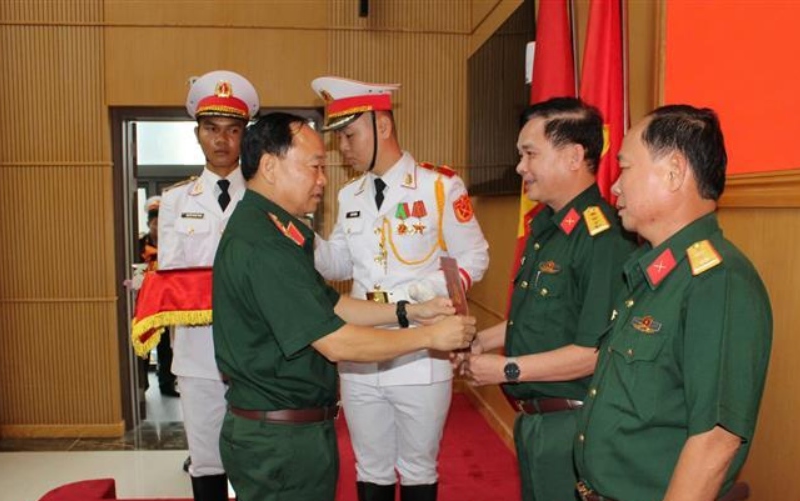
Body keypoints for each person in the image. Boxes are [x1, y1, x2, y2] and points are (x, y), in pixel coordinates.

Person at [212, 112, 476, 501]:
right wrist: (430, 335)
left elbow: (332, 304)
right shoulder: (265, 244)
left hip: (288, 430)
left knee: (418, 467)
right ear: (269, 166)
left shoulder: (273, 228)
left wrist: (409, 311)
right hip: (281, 440)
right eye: (315, 166)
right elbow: (335, 342)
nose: (323, 179)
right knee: (373, 469)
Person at [572, 105, 772, 501]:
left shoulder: (717, 282)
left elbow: (716, 441)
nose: (613, 186)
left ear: (674, 171)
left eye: (625, 168)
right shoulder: (654, 274)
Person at [310, 76, 490, 501]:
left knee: (417, 470)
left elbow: (474, 257)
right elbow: (339, 262)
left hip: (419, 353)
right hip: (360, 352)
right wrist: (302, 238)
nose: (344, 148)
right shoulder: (350, 194)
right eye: (340, 138)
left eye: (350, 135)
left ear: (383, 127)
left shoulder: (439, 187)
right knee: (369, 468)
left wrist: (428, 294)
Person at [460, 97, 636, 501]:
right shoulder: (548, 227)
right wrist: (481, 342)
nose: (521, 167)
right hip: (537, 422)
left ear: (574, 156)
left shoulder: (602, 239)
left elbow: (595, 352)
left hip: (572, 425)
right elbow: (540, 318)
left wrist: (505, 369)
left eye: (529, 153)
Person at [158, 70, 259, 501]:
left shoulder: (263, 197)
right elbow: (173, 278)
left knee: (258, 456)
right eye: (212, 129)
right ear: (197, 134)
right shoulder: (177, 201)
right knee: (206, 460)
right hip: (198, 355)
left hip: (257, 352)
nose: (222, 140)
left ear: (244, 137)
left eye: (233, 130)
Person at [137, 196, 179, 398]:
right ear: (148, 224)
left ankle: (167, 384)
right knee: (143, 345)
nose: (157, 227)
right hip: (143, 302)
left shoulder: (173, 245)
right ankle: (141, 385)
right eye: (154, 223)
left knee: (165, 348)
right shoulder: (138, 245)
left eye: (161, 223)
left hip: (166, 303)